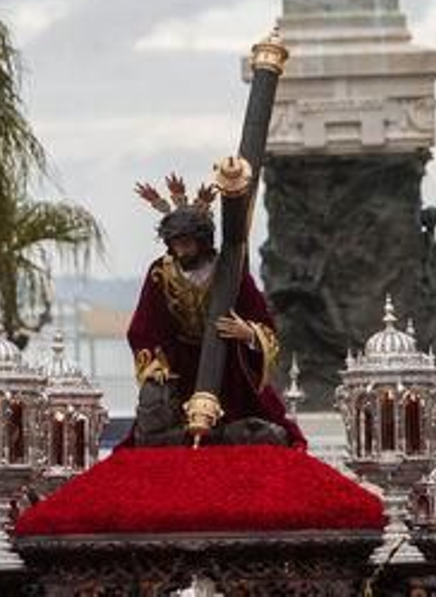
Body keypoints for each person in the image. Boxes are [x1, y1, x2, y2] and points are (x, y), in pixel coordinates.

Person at [125, 174, 304, 446]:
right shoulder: (160, 273)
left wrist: (249, 334)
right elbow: (145, 326)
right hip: (177, 364)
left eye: (187, 244)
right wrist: (155, 364)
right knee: (155, 412)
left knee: (260, 426)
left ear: (203, 241)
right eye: (176, 244)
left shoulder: (230, 271)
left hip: (227, 362)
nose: (181, 251)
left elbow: (263, 320)